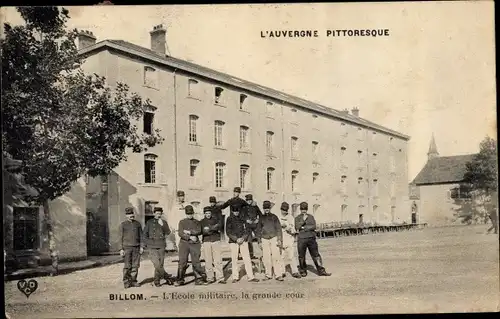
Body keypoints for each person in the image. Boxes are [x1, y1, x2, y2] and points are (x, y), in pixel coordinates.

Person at [295, 202, 331, 277]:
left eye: (305, 209)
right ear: (300, 209)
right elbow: (297, 227)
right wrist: (303, 221)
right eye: (302, 209)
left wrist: (304, 228)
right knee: (301, 256)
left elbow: (314, 226)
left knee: (316, 255)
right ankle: (303, 271)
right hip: (302, 239)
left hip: (311, 238)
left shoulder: (311, 217)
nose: (303, 211)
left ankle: (321, 270)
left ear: (307, 209)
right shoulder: (297, 218)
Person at [175, 205, 207, 286]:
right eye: (188, 214)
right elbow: (181, 233)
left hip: (195, 244)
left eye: (191, 213)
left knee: (196, 261)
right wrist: (190, 237)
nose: (190, 215)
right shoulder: (182, 222)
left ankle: (198, 279)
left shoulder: (197, 222)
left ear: (193, 213)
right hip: (184, 244)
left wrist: (189, 232)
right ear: (186, 214)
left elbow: (199, 231)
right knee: (182, 262)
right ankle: (180, 280)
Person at [226, 208, 260, 283]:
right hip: (234, 241)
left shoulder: (243, 218)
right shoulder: (229, 219)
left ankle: (251, 277)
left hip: (243, 241)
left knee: (247, 258)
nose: (236, 212)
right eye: (235, 211)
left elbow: (247, 230)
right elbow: (228, 231)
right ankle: (235, 277)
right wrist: (236, 239)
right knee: (234, 259)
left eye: (237, 211)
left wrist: (243, 238)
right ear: (232, 211)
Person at [143, 207, 174, 287]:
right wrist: (147, 244)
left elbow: (168, 232)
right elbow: (144, 234)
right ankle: (167, 277)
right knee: (156, 264)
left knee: (160, 264)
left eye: (160, 213)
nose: (158, 215)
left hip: (161, 245)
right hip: (152, 245)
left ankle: (157, 281)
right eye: (157, 213)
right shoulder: (149, 222)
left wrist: (162, 225)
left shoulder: (164, 222)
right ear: (154, 214)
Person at [259, 200, 284, 281]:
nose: (266, 209)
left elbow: (279, 229)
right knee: (266, 258)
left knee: (276, 256)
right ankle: (268, 275)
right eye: (265, 208)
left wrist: (279, 239)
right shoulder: (261, 218)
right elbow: (258, 230)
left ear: (270, 208)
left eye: (268, 208)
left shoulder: (274, 217)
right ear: (263, 209)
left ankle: (278, 275)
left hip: (274, 238)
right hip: (264, 239)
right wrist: (259, 241)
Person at [119, 207, 144, 288]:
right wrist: (121, 249)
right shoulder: (123, 224)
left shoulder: (137, 224)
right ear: (126, 215)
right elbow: (120, 237)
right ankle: (126, 282)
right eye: (129, 214)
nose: (131, 215)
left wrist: (142, 247)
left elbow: (141, 236)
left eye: (132, 214)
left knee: (135, 265)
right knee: (127, 265)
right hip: (127, 248)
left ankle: (133, 281)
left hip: (136, 248)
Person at [201, 206, 225, 284]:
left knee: (218, 260)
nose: (208, 214)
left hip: (216, 240)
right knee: (208, 260)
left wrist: (209, 229)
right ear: (204, 214)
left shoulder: (216, 220)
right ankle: (210, 278)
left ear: (211, 213)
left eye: (209, 213)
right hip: (206, 241)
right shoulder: (201, 222)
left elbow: (219, 226)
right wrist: (213, 228)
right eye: (206, 213)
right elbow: (202, 231)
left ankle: (220, 277)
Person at [278, 202, 301, 279]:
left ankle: (295, 271)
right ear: (281, 209)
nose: (284, 211)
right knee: (281, 257)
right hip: (281, 239)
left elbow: (294, 230)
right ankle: (281, 272)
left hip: (289, 239)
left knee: (291, 256)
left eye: (285, 210)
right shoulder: (277, 217)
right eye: (283, 210)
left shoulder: (291, 218)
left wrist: (288, 228)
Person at [241, 194, 263, 258]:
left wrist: (258, 219)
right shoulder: (244, 207)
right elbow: (241, 216)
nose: (249, 201)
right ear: (246, 201)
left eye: (250, 200)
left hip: (255, 225)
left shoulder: (255, 206)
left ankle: (264, 253)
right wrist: (246, 220)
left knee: (259, 238)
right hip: (248, 225)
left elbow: (260, 214)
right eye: (248, 200)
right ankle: (251, 255)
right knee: (249, 240)